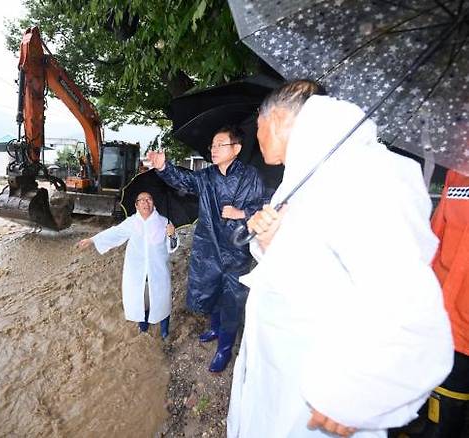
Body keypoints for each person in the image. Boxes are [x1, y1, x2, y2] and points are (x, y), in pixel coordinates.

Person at [227, 80, 453, 438]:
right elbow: (312, 262)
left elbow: (406, 305)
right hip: (285, 372)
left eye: (257, 126)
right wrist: (269, 240)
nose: (257, 137)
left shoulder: (362, 175)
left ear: (280, 117)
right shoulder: (305, 174)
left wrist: (358, 394)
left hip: (324, 391)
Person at [147, 125, 266, 372]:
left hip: (236, 249)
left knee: (232, 299)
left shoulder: (250, 176)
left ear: (236, 148)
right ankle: (214, 327)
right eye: (212, 145)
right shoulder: (207, 176)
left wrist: (240, 213)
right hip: (208, 247)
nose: (213, 149)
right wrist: (162, 167)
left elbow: (264, 205)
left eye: (220, 144)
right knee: (209, 289)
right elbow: (185, 180)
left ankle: (224, 348)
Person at [412, 169, 469, 437]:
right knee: (434, 419)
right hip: (441, 320)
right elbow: (436, 237)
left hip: (465, 332)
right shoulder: (459, 172)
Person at [77, 192, 178, 339]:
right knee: (141, 302)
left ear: (153, 203)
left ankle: (164, 333)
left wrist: (172, 235)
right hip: (137, 273)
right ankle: (143, 331)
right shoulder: (132, 222)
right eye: (141, 200)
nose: (145, 202)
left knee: (162, 302)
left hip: (158, 272)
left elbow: (172, 247)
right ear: (136, 205)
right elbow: (115, 233)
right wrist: (92, 240)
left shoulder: (164, 222)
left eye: (149, 199)